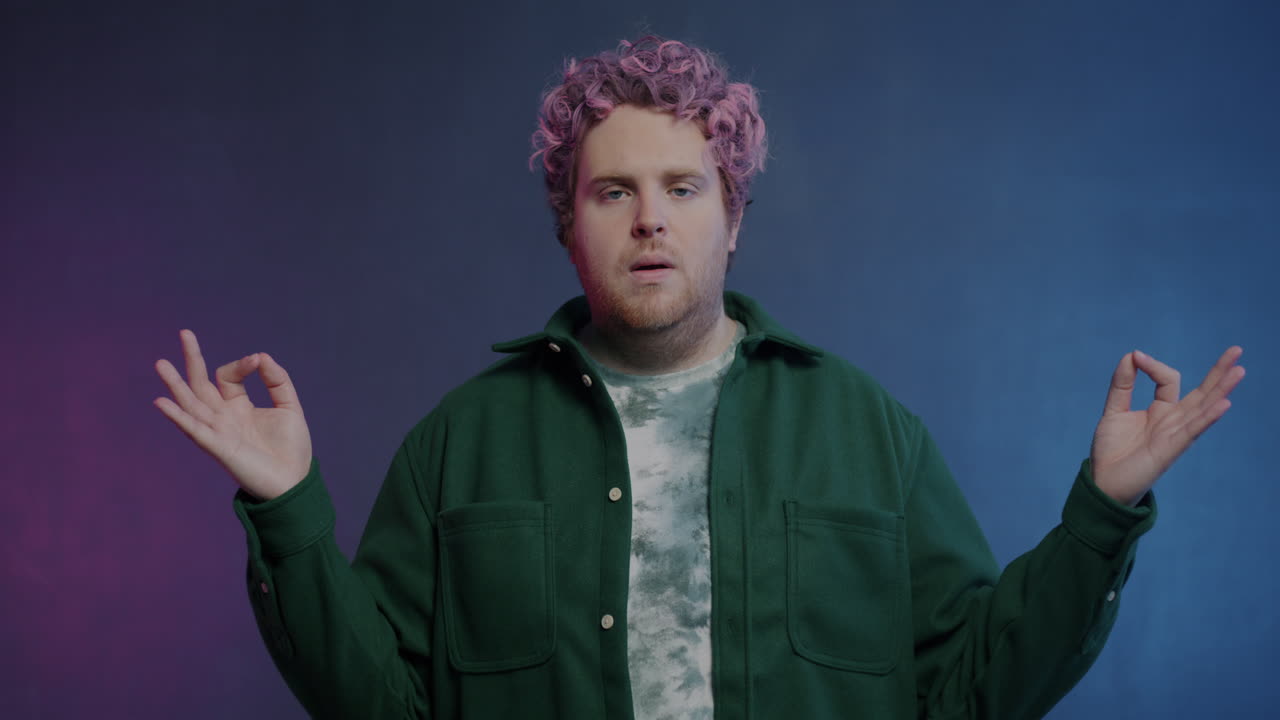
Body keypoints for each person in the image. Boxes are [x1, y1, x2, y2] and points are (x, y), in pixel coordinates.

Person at [153, 36, 1245, 720]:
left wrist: (1098, 515)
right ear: (565, 226)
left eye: (682, 186)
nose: (649, 221)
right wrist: (286, 509)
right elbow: (381, 705)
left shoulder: (866, 430)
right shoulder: (460, 445)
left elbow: (968, 694)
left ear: (733, 220)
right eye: (611, 192)